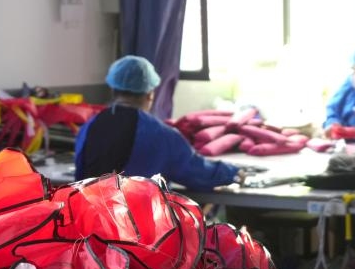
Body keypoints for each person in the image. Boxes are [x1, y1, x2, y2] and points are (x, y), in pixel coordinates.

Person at [75, 55, 240, 189]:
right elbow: (198, 173)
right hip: (140, 226)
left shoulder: (89, 127)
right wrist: (233, 172)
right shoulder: (161, 135)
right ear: (149, 94)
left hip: (89, 223)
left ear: (113, 89)